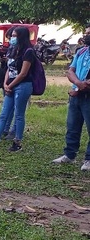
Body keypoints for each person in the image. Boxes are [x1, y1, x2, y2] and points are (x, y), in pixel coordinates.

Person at [0, 26, 36, 152]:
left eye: (15, 36)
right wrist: (5, 84)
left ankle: (17, 142)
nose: (12, 38)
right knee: (4, 114)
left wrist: (11, 85)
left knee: (19, 114)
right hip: (10, 85)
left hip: (23, 85)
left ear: (22, 37)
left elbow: (23, 73)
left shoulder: (28, 51)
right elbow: (9, 68)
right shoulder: (12, 49)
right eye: (12, 36)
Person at [52, 25, 90, 171]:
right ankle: (69, 154)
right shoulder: (81, 51)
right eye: (86, 33)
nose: (86, 36)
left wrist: (81, 86)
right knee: (72, 126)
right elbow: (70, 71)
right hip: (76, 94)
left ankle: (88, 159)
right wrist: (78, 84)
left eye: (89, 33)